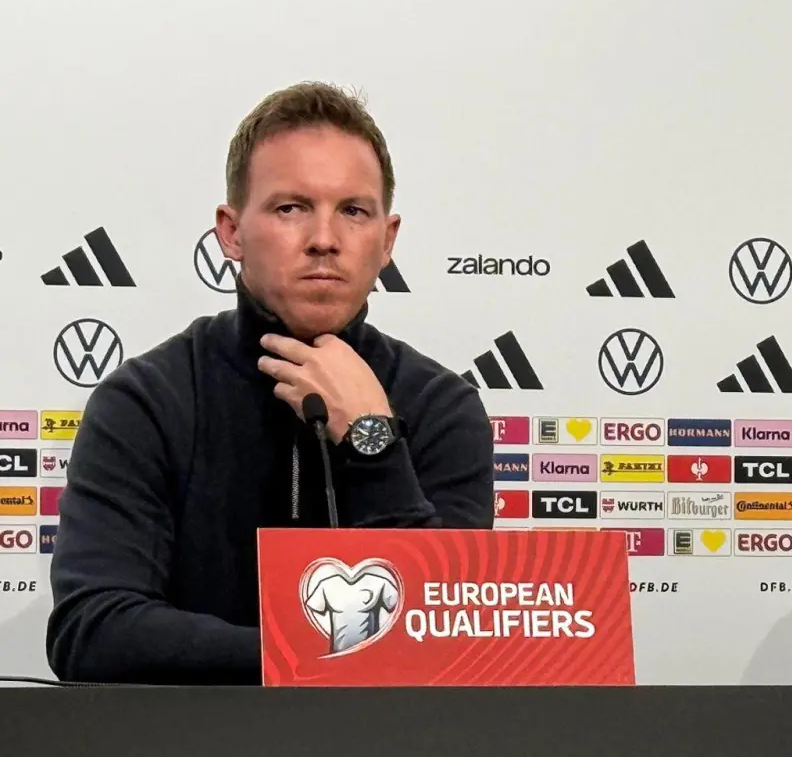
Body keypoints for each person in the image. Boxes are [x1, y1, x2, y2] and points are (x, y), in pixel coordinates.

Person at [47, 82, 495, 684]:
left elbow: (452, 639)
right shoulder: (146, 400)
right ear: (231, 232)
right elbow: (92, 630)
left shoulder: (443, 407)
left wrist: (372, 439)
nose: (324, 239)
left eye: (353, 211)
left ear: (386, 241)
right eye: (290, 208)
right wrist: (313, 658)